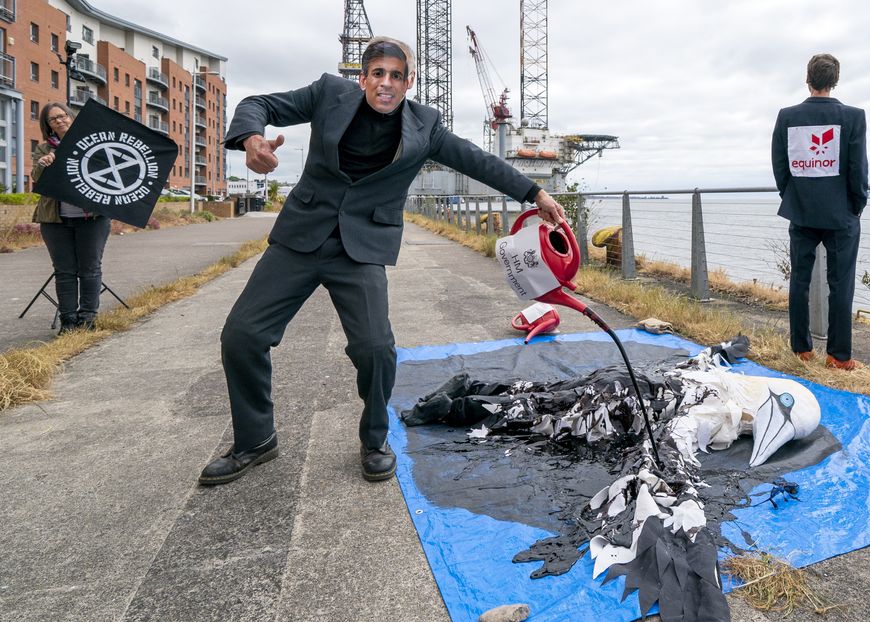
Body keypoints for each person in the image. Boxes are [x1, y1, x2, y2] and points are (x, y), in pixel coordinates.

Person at [199, 37, 566, 485]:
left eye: (396, 76)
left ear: (408, 83)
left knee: (375, 350)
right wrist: (252, 138)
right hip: (300, 237)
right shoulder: (327, 94)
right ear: (363, 78)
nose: (386, 83)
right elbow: (258, 102)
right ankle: (255, 440)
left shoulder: (425, 125)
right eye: (378, 74)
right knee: (241, 335)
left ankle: (374, 439)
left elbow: (476, 160)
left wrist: (536, 192)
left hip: (362, 247)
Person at [771, 53, 868, 371]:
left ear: (808, 79)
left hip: (801, 211)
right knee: (841, 283)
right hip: (841, 214)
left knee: (799, 280)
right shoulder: (853, 116)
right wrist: (857, 204)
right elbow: (857, 168)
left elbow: (780, 165)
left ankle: (801, 349)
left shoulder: (787, 116)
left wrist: (793, 196)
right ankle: (839, 356)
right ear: (835, 81)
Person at [31, 102, 111, 334]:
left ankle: (87, 318)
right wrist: (44, 164)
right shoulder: (44, 149)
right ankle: (68, 320)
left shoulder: (94, 143)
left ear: (71, 117)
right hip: (55, 219)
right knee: (64, 270)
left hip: (92, 217)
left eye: (63, 115)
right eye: (53, 119)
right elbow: (37, 176)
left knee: (90, 269)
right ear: (48, 126)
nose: (60, 121)